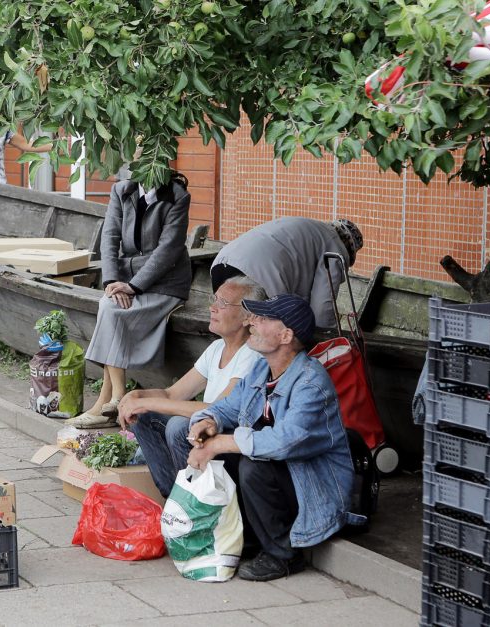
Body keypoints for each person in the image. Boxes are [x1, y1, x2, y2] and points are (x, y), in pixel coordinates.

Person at [187, 294, 357, 582]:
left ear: (286, 335)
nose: (252, 321)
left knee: (253, 465)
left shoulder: (310, 383)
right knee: (205, 442)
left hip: (312, 486)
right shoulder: (261, 368)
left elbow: (285, 441)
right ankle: (248, 536)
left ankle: (284, 556)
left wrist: (221, 443)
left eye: (263, 319)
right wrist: (208, 421)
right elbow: (229, 406)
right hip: (283, 477)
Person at [117, 276, 266, 497]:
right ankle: (173, 498)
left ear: (248, 317)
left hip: (228, 436)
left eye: (223, 303)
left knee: (178, 426)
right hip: (205, 429)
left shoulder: (252, 355)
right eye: (214, 299)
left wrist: (145, 401)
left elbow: (218, 408)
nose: (212, 308)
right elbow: (172, 393)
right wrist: (135, 395)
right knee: (143, 416)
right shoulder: (217, 348)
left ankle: (193, 502)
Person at [66, 173, 192, 428]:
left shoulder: (177, 196)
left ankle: (110, 400)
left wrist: (134, 286)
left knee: (110, 311)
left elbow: (169, 250)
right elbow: (110, 239)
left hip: (164, 285)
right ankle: (111, 400)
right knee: (109, 305)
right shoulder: (122, 190)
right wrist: (112, 282)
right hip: (125, 282)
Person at [211, 217, 364, 328]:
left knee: (235, 328)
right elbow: (322, 306)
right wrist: (326, 336)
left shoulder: (312, 227)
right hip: (263, 275)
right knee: (261, 332)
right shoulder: (335, 249)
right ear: (349, 249)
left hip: (223, 261)